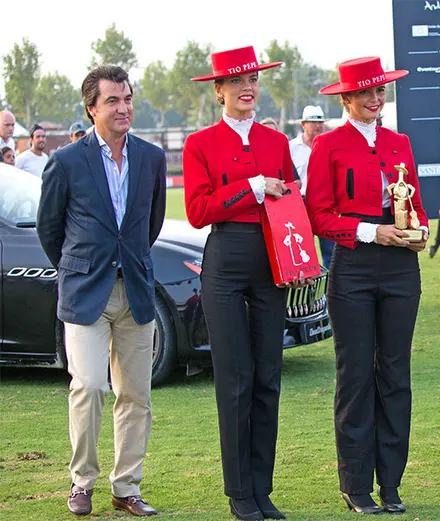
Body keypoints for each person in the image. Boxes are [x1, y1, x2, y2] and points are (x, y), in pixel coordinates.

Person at [36, 65, 166, 517]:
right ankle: (82, 481)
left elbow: (148, 226)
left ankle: (126, 487)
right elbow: (50, 230)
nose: (123, 107)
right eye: (112, 100)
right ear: (91, 109)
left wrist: (124, 264)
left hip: (135, 292)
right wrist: (82, 268)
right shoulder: (68, 160)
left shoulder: (150, 158)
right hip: (85, 293)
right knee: (89, 386)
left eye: (127, 98)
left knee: (136, 395)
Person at [183, 46, 304, 521]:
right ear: (219, 91)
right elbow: (197, 211)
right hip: (226, 261)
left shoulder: (276, 143)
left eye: (252, 78)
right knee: (235, 380)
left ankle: (261, 487)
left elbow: (291, 200)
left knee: (268, 379)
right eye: (236, 81)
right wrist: (251, 187)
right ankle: (238, 492)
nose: (246, 87)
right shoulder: (200, 144)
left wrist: (300, 257)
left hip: (272, 261)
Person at [305, 56, 427, 515]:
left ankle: (391, 484)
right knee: (356, 376)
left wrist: (416, 230)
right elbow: (318, 215)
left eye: (381, 91)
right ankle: (355, 485)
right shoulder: (328, 146)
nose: (377, 99)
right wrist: (369, 231)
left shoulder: (399, 142)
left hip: (400, 267)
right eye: (368, 93)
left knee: (396, 376)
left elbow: (411, 197)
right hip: (353, 266)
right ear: (347, 98)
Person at [289, 105, 334, 269]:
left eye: (320, 122)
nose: (318, 126)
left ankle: (330, 291)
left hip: (325, 203)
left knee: (330, 250)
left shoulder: (329, 145)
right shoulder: (291, 147)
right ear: (303, 124)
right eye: (313, 122)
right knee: (302, 250)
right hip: (299, 203)